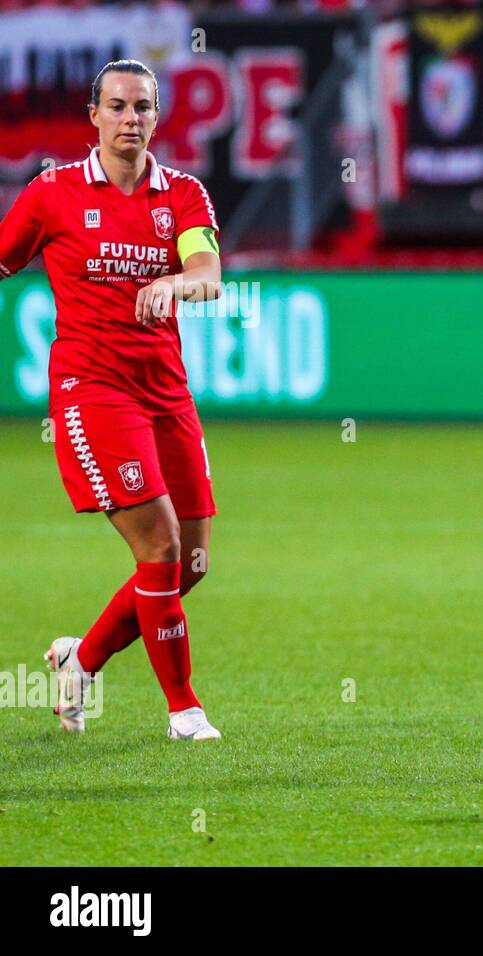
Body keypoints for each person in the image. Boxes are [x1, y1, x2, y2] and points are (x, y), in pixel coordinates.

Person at [0, 59, 225, 739]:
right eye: (119, 107)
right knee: (158, 545)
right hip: (91, 391)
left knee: (189, 564)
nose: (132, 120)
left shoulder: (182, 193)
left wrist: (175, 286)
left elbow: (208, 274)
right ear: (93, 115)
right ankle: (184, 710)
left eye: (144, 108)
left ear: (158, 117)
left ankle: (81, 660)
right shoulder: (54, 193)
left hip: (166, 397)